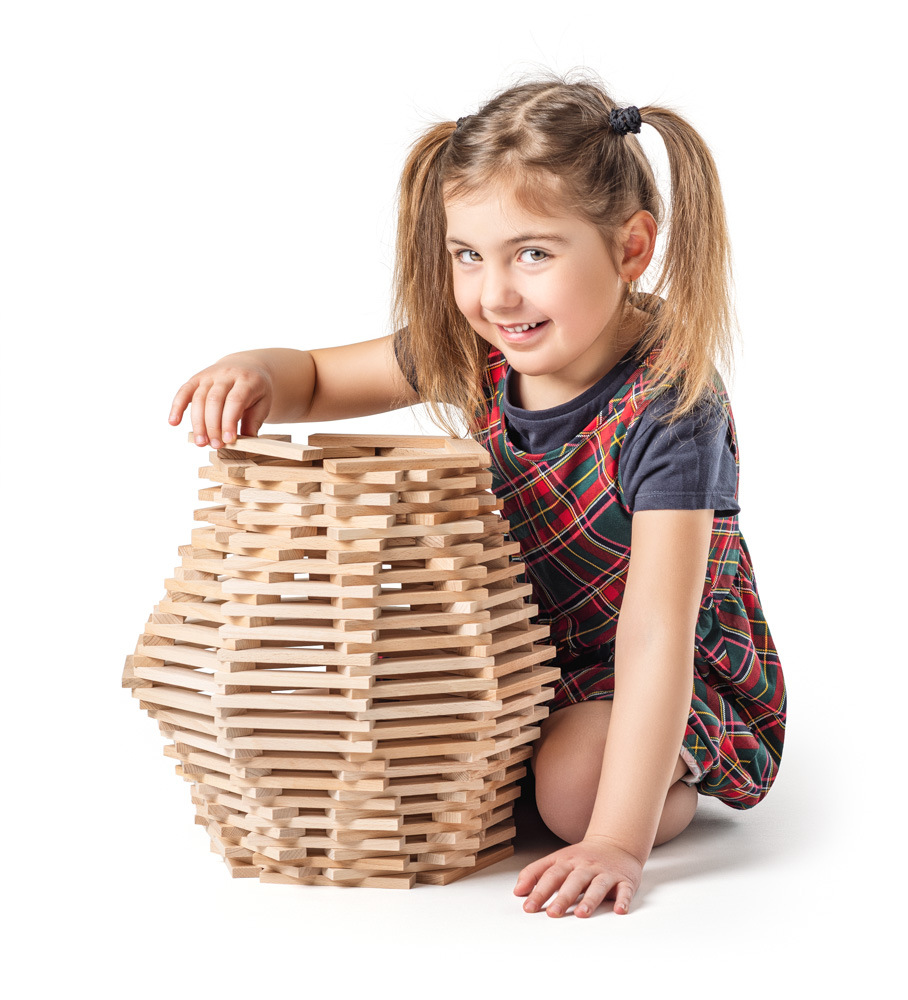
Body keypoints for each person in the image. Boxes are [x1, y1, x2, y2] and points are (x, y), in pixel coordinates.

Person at [169, 76, 786, 919]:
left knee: (572, 792)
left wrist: (615, 840)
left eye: (533, 254)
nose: (496, 294)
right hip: (524, 653)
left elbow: (656, 634)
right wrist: (253, 372)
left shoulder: (672, 408)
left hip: (657, 673)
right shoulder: (479, 347)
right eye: (469, 255)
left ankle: (657, 779)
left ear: (632, 248)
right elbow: (313, 377)